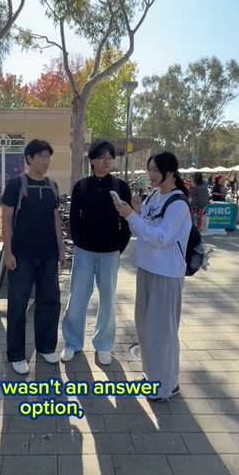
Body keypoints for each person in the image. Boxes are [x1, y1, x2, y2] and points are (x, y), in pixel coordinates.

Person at [115, 151, 192, 402]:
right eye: (150, 169)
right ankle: (151, 376)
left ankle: (166, 385)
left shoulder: (178, 203)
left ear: (171, 172)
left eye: (156, 170)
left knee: (162, 332)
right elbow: (142, 230)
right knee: (145, 327)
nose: (151, 174)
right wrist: (136, 213)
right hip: (146, 269)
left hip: (166, 273)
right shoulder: (154, 196)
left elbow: (160, 237)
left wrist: (132, 216)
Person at [61, 138, 132, 366]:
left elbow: (127, 220)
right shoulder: (81, 186)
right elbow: (73, 219)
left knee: (108, 300)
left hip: (110, 252)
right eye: (101, 157)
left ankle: (103, 345)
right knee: (77, 298)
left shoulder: (121, 187)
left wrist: (119, 246)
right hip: (84, 252)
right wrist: (79, 241)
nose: (106, 161)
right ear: (92, 160)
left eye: (110, 157)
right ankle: (72, 343)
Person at [1, 139, 65, 375]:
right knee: (18, 305)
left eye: (48, 157)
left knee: (50, 301)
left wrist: (61, 248)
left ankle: (46, 347)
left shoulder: (52, 186)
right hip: (22, 257)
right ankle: (16, 355)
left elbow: (56, 219)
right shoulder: (16, 184)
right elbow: (6, 220)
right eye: (41, 157)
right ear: (29, 158)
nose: (46, 161)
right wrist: (8, 253)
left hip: (48, 255)